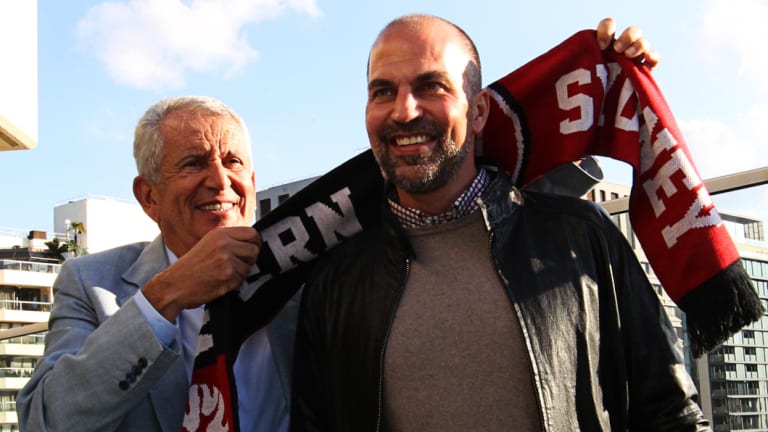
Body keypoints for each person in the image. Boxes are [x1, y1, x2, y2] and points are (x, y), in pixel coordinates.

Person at [290, 14, 709, 432]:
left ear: (478, 112)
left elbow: (672, 415)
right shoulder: (334, 282)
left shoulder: (582, 239)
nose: (403, 111)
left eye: (431, 86)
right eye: (383, 91)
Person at [16, 96, 297, 431]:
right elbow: (44, 421)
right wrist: (163, 297)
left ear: (251, 184)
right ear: (149, 197)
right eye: (194, 163)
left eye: (233, 161)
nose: (221, 181)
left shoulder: (303, 271)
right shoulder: (90, 283)